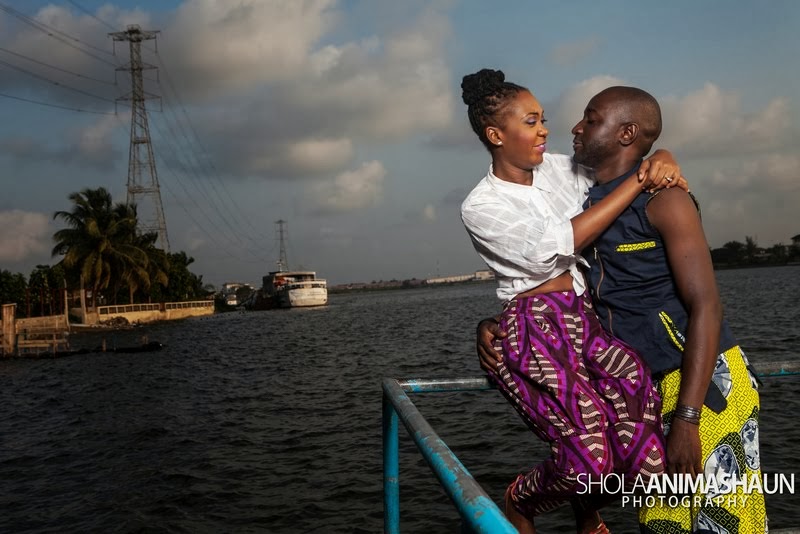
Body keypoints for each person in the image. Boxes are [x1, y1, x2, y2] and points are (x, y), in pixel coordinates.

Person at [478, 86, 767, 533]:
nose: (575, 128)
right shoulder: (590, 203)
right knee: (663, 524)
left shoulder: (664, 199)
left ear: (626, 133)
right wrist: (497, 321)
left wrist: (687, 418)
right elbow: (557, 281)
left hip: (703, 384)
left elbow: (707, 305)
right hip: (643, 389)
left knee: (725, 524)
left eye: (591, 120)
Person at [460, 69, 683, 534]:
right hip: (534, 326)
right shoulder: (480, 205)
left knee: (644, 446)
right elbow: (553, 249)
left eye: (542, 118)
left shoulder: (562, 169)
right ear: (496, 135)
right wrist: (641, 181)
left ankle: (588, 510)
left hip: (587, 318)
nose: (545, 129)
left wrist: (660, 156)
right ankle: (521, 500)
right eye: (531, 122)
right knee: (588, 459)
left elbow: (621, 162)